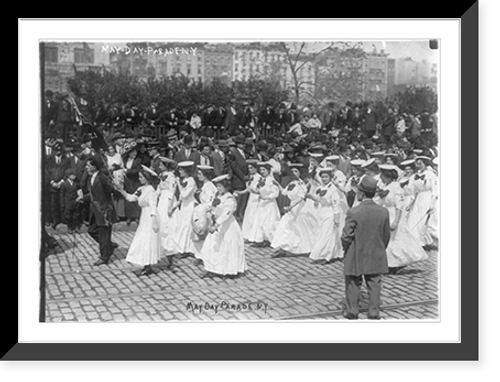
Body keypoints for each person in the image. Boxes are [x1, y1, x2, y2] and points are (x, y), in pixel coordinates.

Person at [341, 176, 391, 320]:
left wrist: (346, 250)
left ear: (361, 193)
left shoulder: (354, 212)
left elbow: (346, 236)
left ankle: (352, 310)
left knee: (353, 281)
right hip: (376, 250)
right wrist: (380, 248)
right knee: (374, 281)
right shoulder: (383, 211)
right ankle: (374, 312)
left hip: (356, 251)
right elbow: (386, 235)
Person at [375, 165, 428, 274]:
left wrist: (396, 221)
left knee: (396, 240)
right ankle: (390, 264)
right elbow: (379, 201)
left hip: (394, 215)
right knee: (388, 240)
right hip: (386, 214)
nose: (381, 179)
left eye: (382, 176)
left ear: (388, 176)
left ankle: (395, 264)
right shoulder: (387, 186)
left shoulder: (397, 188)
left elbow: (399, 206)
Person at [114, 167, 161, 277]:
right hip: (144, 216)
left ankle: (148, 265)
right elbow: (131, 198)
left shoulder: (151, 191)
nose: (139, 179)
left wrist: (154, 222)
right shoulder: (141, 189)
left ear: (147, 178)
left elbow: (153, 206)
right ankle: (146, 264)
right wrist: (121, 190)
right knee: (143, 240)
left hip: (150, 216)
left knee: (147, 240)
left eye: (141, 177)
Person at [199, 174, 247, 279]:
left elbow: (226, 214)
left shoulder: (229, 198)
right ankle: (211, 268)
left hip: (227, 226)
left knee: (226, 247)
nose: (218, 188)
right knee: (211, 246)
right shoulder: (218, 196)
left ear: (226, 187)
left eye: (220, 186)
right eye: (217, 186)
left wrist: (216, 224)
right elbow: (211, 205)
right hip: (215, 223)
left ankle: (229, 270)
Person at [271, 164, 317, 257]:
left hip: (299, 208)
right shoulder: (291, 183)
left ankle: (306, 248)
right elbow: (284, 192)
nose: (294, 173)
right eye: (292, 172)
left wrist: (291, 207)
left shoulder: (301, 184)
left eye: (296, 171)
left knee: (300, 229)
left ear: (300, 173)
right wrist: (277, 184)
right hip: (291, 208)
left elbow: (301, 197)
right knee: (284, 225)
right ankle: (282, 247)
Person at [82, 157, 119, 266]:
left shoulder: (103, 178)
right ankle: (109, 245)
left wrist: (115, 186)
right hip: (95, 211)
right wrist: (83, 198)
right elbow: (94, 194)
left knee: (104, 235)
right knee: (91, 230)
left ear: (94, 166)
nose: (86, 167)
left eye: (88, 165)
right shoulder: (91, 178)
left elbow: (112, 189)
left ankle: (104, 257)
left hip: (104, 211)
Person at [307, 168, 347, 264]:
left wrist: (337, 219)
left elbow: (335, 204)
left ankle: (325, 256)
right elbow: (321, 200)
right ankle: (330, 254)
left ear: (330, 178)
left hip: (330, 215)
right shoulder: (322, 188)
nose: (324, 179)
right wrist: (311, 197)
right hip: (322, 214)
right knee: (324, 235)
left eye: (326, 177)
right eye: (322, 177)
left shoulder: (333, 190)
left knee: (327, 236)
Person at [405, 156, 438, 249]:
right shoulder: (415, 175)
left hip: (427, 198)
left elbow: (435, 191)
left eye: (420, 163)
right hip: (418, 199)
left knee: (422, 221)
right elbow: (413, 191)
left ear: (425, 164)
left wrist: (432, 205)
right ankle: (413, 240)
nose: (418, 166)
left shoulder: (431, 175)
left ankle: (421, 241)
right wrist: (410, 203)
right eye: (417, 164)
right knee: (413, 218)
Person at [248, 162, 281, 247]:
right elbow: (259, 190)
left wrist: (266, 197)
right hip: (262, 204)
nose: (262, 171)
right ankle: (261, 239)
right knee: (259, 221)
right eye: (261, 170)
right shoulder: (262, 180)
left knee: (269, 222)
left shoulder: (272, 180)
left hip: (269, 204)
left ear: (268, 170)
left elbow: (275, 193)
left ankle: (271, 240)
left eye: (264, 170)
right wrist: (254, 190)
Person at [156, 157, 179, 270]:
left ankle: (172, 259)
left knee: (169, 228)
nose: (159, 166)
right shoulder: (162, 176)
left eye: (161, 165)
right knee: (161, 227)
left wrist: (170, 207)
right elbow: (158, 190)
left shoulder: (171, 177)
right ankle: (163, 254)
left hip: (168, 202)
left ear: (166, 165)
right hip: (161, 202)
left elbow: (172, 191)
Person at [171, 161, 198, 256]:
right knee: (183, 225)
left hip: (190, 205)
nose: (180, 171)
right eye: (179, 169)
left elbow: (184, 195)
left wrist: (178, 183)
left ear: (187, 170)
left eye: (181, 169)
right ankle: (184, 248)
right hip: (184, 206)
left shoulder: (190, 181)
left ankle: (187, 249)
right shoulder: (185, 180)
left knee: (187, 227)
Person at [192, 165, 217, 263]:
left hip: (206, 213)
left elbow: (211, 202)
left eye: (200, 174)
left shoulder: (209, 186)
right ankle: (200, 255)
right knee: (198, 235)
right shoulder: (204, 185)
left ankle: (204, 256)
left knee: (204, 235)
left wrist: (201, 207)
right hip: (201, 212)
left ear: (205, 175)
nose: (198, 176)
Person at [234, 159, 263, 243]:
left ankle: (253, 235)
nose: (250, 170)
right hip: (251, 198)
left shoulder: (259, 177)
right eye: (249, 168)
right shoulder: (250, 177)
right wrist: (240, 192)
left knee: (253, 216)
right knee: (249, 215)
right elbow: (248, 189)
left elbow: (258, 189)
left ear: (256, 168)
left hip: (257, 198)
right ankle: (247, 235)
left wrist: (254, 191)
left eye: (251, 168)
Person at [47, 143, 70, 229]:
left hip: (62, 185)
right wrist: (52, 182)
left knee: (62, 203)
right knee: (53, 204)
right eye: (56, 150)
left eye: (59, 150)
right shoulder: (50, 160)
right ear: (53, 151)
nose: (58, 152)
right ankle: (54, 221)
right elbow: (47, 172)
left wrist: (61, 182)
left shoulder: (66, 160)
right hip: (52, 185)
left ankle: (63, 221)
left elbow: (67, 171)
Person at [122, 142, 142, 225]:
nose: (135, 153)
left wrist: (128, 171)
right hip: (127, 181)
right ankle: (129, 216)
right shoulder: (125, 160)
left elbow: (137, 170)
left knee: (136, 197)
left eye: (135, 152)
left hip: (135, 181)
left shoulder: (138, 160)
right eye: (133, 152)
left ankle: (136, 216)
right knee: (128, 197)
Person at [59, 168, 83, 233]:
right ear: (68, 176)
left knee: (75, 216)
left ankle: (76, 227)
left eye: (75, 175)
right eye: (73, 175)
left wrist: (79, 198)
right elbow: (62, 195)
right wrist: (62, 204)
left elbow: (79, 191)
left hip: (75, 202)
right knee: (68, 216)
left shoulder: (76, 184)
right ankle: (70, 228)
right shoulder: (64, 184)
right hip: (67, 203)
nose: (74, 176)